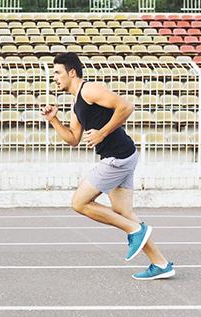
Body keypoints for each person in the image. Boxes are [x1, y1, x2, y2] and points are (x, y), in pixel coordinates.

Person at [41, 52, 175, 280]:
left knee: (79, 203)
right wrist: (54, 119)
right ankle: (160, 264)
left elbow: (126, 107)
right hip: (122, 156)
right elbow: (74, 139)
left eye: (57, 72)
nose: (54, 78)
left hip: (117, 157)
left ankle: (135, 230)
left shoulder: (89, 90)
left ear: (71, 72)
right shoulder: (76, 104)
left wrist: (102, 133)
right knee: (124, 213)